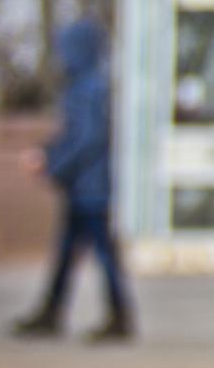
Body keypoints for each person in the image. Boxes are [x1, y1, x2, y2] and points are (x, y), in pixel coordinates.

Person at [13, 19, 134, 341]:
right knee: (68, 252)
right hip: (84, 185)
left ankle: (117, 315)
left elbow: (86, 137)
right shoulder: (86, 85)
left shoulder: (87, 88)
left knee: (102, 253)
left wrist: (53, 164)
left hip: (90, 188)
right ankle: (53, 311)